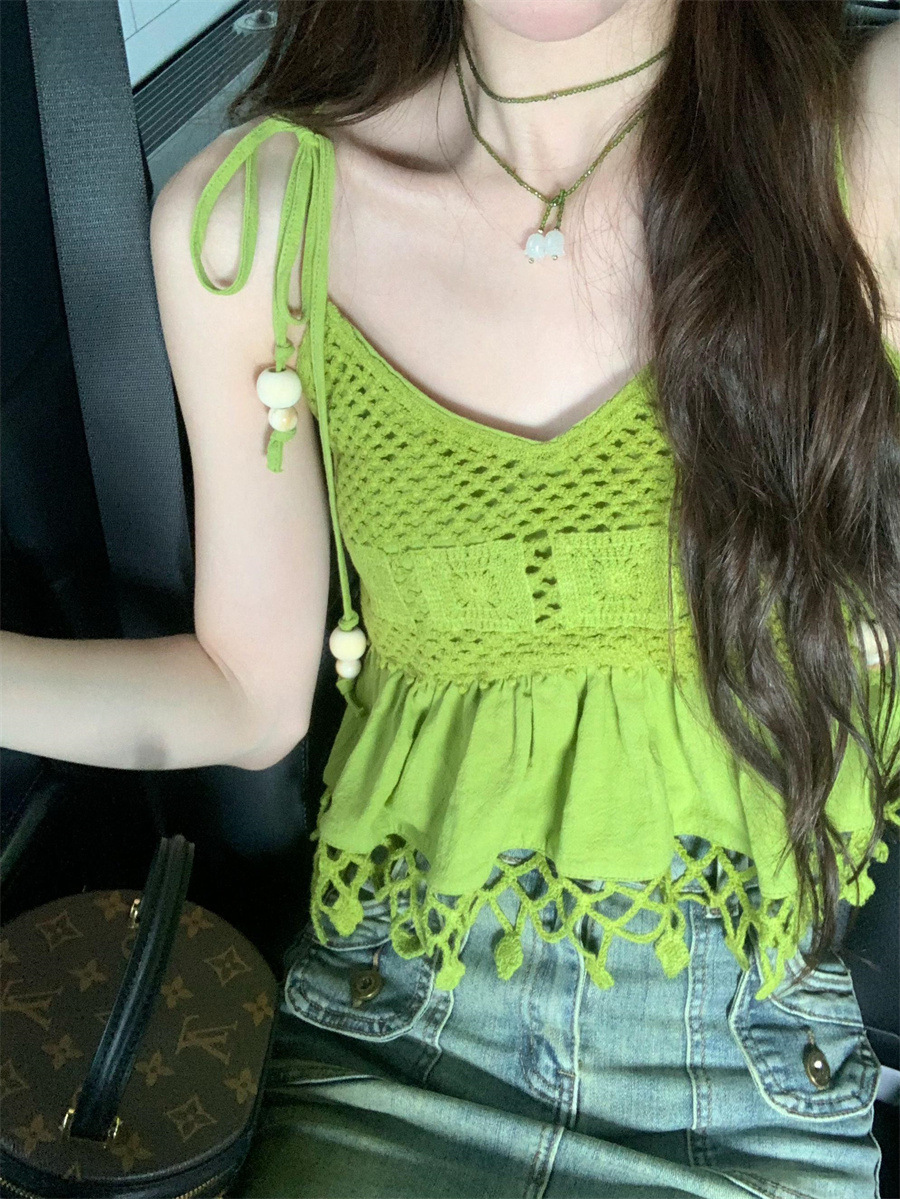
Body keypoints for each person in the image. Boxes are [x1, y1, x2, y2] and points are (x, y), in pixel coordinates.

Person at [3, 0, 899, 1196]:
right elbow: (247, 693)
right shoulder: (257, 220)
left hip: (745, 1079)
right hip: (389, 1038)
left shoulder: (858, 141)